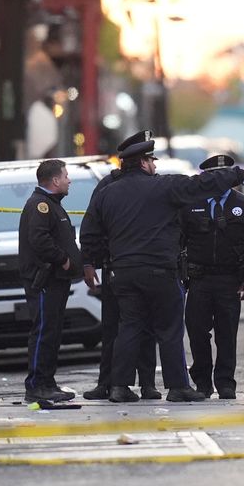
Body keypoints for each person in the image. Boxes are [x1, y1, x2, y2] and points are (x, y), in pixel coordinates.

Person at [81, 139, 244, 403]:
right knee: (169, 329)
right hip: (159, 272)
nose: (155, 165)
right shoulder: (164, 187)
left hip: (124, 272)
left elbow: (90, 230)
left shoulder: (108, 193)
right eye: (151, 160)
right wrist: (241, 173)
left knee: (129, 327)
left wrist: (88, 263)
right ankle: (178, 387)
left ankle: (119, 386)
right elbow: (203, 184)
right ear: (143, 163)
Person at [82, 131, 160, 401]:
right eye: (149, 158)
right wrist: (90, 262)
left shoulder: (154, 184)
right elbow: (91, 227)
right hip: (113, 264)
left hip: (135, 266)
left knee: (145, 327)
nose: (152, 164)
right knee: (112, 327)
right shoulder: (108, 185)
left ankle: (147, 383)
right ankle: (107, 382)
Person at [179, 155, 244, 400]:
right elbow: (179, 240)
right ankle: (202, 382)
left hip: (229, 279)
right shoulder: (190, 204)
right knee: (197, 332)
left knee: (227, 333)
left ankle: (226, 383)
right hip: (199, 279)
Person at [18, 159, 83, 403]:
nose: (69, 180)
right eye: (66, 176)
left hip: (56, 280)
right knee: (44, 331)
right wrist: (63, 259)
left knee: (52, 332)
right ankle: (36, 385)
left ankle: (47, 382)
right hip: (46, 279)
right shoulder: (41, 205)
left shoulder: (51, 204)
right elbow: (40, 239)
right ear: (55, 180)